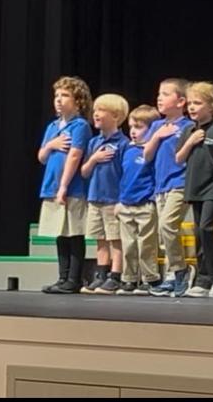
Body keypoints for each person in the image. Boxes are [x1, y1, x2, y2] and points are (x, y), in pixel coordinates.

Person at [176, 82, 213, 298]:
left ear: (212, 106)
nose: (192, 107)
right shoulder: (188, 130)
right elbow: (178, 158)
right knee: (199, 232)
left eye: (197, 103)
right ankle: (204, 278)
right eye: (190, 103)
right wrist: (190, 142)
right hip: (195, 187)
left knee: (207, 229)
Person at [37, 76, 93, 294]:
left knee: (74, 233)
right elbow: (42, 156)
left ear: (78, 101)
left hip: (72, 188)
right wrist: (51, 144)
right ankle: (62, 277)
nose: (59, 100)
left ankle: (74, 279)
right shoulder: (53, 127)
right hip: (51, 185)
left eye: (65, 95)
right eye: (57, 96)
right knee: (60, 233)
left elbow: (75, 155)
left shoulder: (79, 125)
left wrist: (63, 186)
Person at [144, 78, 196, 298]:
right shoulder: (157, 126)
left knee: (168, 225)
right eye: (159, 93)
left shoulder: (188, 126)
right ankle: (172, 275)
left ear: (181, 101)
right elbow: (146, 155)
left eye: (166, 94)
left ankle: (181, 269)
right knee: (163, 232)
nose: (159, 98)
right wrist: (157, 136)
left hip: (180, 183)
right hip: (161, 185)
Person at [81, 94, 130, 295]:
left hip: (113, 199)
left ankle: (115, 274)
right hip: (95, 198)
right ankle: (100, 273)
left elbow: (125, 173)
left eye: (101, 111)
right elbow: (84, 171)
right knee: (99, 238)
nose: (96, 114)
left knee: (114, 238)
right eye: (95, 111)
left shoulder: (123, 143)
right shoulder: (94, 142)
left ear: (116, 116)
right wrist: (94, 159)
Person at [116, 105, 162, 295]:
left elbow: (156, 176)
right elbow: (123, 176)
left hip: (145, 204)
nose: (133, 131)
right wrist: (119, 200)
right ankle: (129, 278)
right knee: (128, 245)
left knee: (146, 244)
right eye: (131, 127)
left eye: (139, 127)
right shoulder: (127, 149)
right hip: (126, 204)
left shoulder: (152, 151)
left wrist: (152, 199)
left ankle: (149, 278)